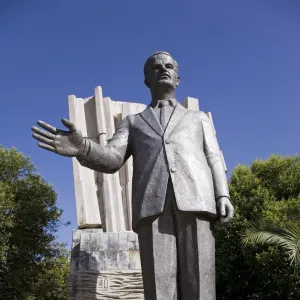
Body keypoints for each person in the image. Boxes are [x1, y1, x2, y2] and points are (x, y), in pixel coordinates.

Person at [32, 51, 234, 300]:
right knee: (159, 286)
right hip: (152, 206)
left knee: (200, 282)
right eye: (156, 67)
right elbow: (113, 159)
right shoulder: (133, 122)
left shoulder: (199, 118)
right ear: (147, 79)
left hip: (197, 200)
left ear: (178, 78)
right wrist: (82, 147)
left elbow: (214, 157)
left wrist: (222, 194)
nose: (163, 69)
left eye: (169, 66)